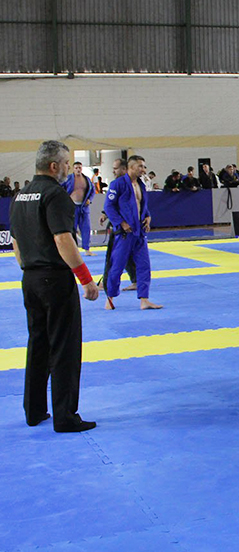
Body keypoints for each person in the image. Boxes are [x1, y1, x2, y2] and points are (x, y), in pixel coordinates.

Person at [9, 140, 99, 432]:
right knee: (64, 347)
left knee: (38, 344)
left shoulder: (20, 195)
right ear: (54, 166)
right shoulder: (56, 195)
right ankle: (65, 416)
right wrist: (85, 279)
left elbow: (16, 241)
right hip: (55, 279)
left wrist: (28, 269)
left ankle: (34, 410)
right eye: (66, 163)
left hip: (30, 278)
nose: (68, 169)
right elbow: (63, 239)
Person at [103, 155, 162, 311]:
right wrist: (121, 223)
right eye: (140, 166)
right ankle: (110, 298)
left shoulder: (141, 184)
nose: (143, 169)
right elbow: (109, 206)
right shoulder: (118, 184)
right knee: (117, 266)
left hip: (139, 232)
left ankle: (144, 299)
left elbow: (143, 206)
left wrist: (148, 217)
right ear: (131, 167)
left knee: (144, 266)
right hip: (124, 234)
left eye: (144, 166)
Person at [98, 158, 137, 294]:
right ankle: (136, 280)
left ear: (124, 169)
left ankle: (106, 283)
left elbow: (111, 205)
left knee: (113, 255)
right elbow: (115, 203)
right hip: (128, 226)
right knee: (127, 255)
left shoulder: (119, 184)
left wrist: (121, 223)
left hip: (122, 227)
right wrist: (105, 214)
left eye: (115, 168)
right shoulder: (131, 183)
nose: (113, 171)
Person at [62, 161, 95, 256]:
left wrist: (90, 200)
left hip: (84, 207)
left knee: (86, 228)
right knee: (72, 228)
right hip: (72, 207)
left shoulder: (87, 179)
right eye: (76, 168)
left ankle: (87, 249)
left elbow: (92, 191)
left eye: (79, 167)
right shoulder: (68, 179)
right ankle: (73, 250)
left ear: (82, 168)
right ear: (73, 169)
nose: (78, 169)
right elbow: (60, 189)